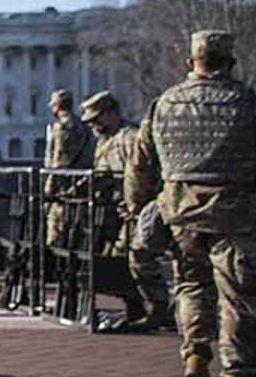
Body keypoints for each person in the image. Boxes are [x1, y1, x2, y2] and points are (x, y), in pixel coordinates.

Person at [126, 32, 256, 377]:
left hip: (181, 214)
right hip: (236, 215)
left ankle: (195, 353)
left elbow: (140, 163)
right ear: (230, 62)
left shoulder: (164, 103)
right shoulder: (246, 103)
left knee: (192, 286)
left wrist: (137, 205)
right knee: (241, 298)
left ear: (190, 63)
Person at [83, 91, 172, 332]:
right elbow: (102, 175)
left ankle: (158, 308)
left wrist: (139, 203)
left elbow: (148, 173)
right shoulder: (106, 142)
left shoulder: (130, 138)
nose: (94, 125)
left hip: (140, 212)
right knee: (118, 259)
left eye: (97, 119)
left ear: (112, 113)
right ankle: (138, 307)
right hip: (119, 213)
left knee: (136, 258)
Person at [43, 88, 94, 246]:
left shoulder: (63, 127)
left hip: (64, 187)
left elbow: (60, 159)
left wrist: (50, 184)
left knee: (57, 229)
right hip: (81, 182)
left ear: (57, 106)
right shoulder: (83, 124)